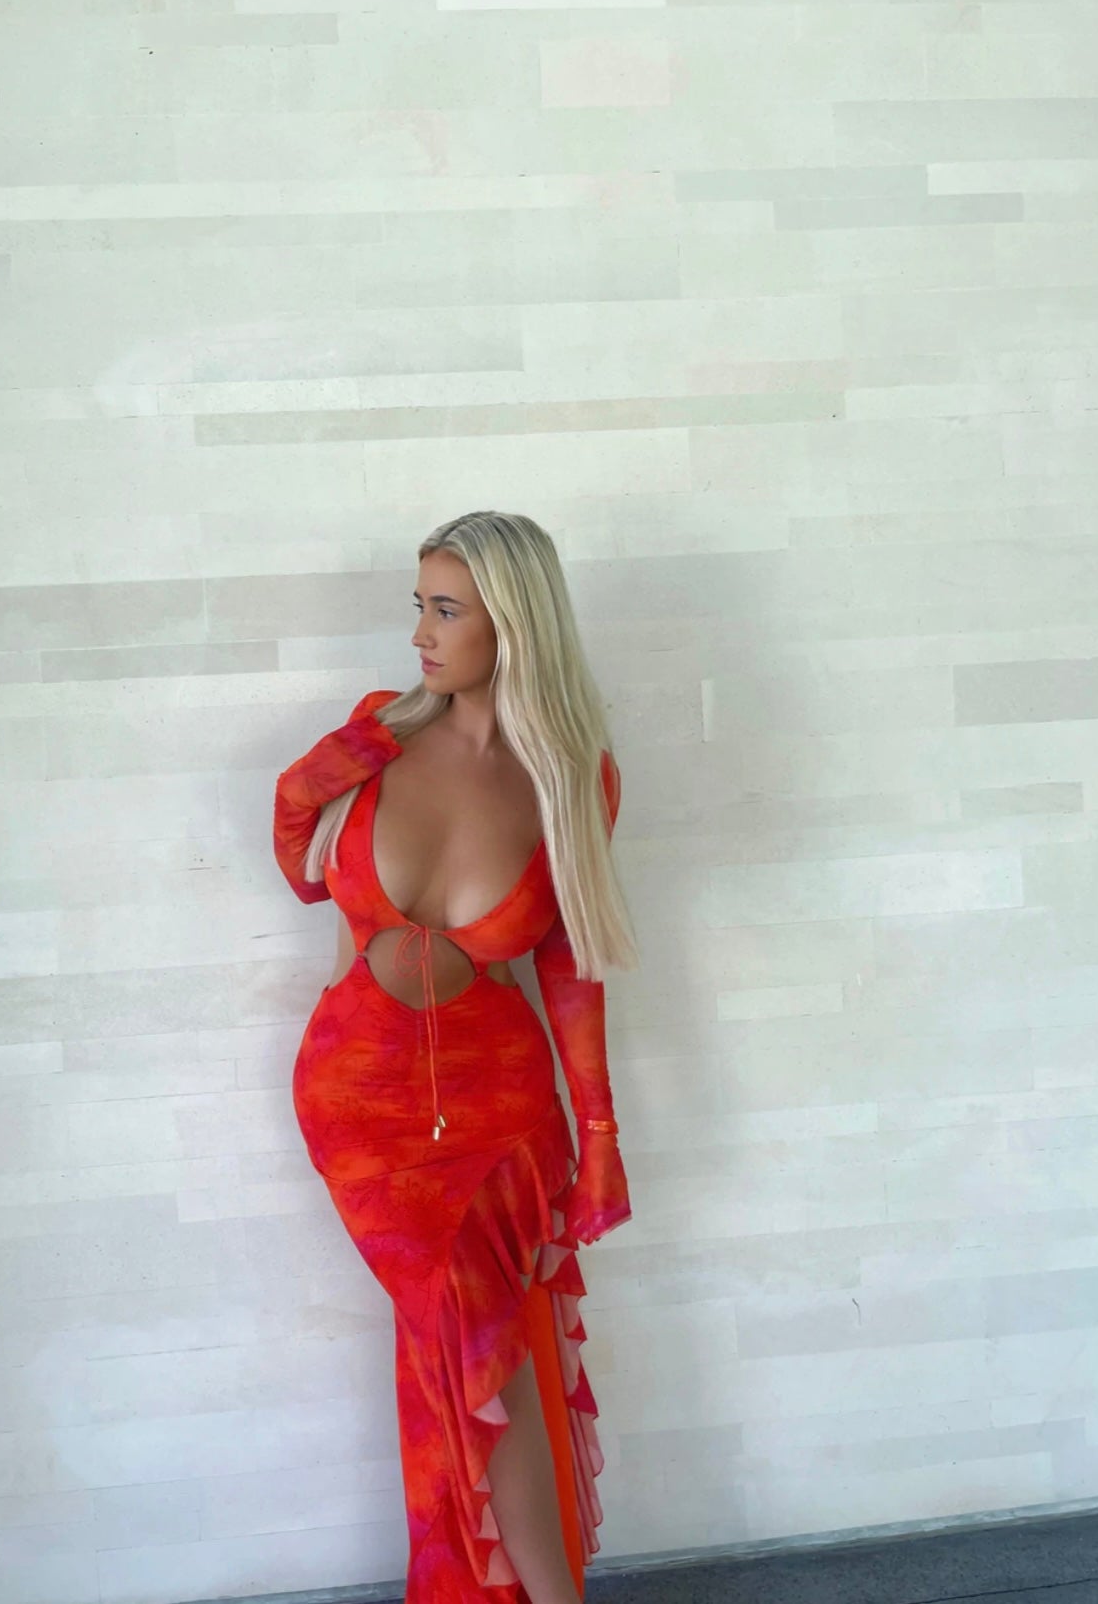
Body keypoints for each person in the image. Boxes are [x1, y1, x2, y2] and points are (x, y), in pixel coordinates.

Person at [271, 510, 637, 1604]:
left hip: (502, 1113)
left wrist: (600, 1141)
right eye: (420, 607)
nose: (420, 634)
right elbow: (300, 867)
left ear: (513, 625)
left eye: (446, 611)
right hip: (361, 1107)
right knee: (473, 1345)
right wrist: (325, 770)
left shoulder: (574, 778)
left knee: (484, 1357)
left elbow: (570, 965)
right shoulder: (377, 733)